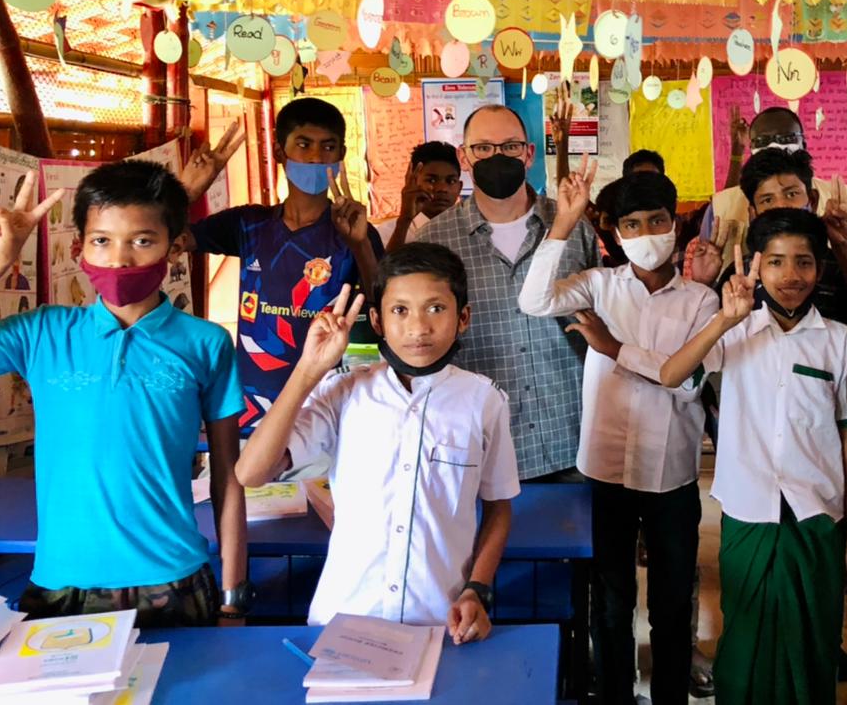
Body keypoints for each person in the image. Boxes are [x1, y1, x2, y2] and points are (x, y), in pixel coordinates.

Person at [0, 162, 248, 626]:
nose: (120, 260)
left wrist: (233, 595)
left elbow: (229, 478)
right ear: (79, 246)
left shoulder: (206, 343)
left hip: (173, 584)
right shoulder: (42, 332)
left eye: (143, 241)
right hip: (60, 585)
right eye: (102, 241)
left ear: (174, 244)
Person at [236, 245, 519, 638]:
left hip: (439, 619)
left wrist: (477, 589)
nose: (418, 328)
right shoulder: (345, 392)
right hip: (345, 617)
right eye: (400, 310)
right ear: (378, 320)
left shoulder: (483, 400)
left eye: (435, 308)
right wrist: (308, 369)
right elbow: (251, 472)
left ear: (463, 317)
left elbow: (498, 507)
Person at [519, 165, 718, 705]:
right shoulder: (599, 286)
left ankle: (671, 694)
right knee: (610, 600)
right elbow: (532, 301)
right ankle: (613, 695)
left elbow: (690, 383)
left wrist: (615, 351)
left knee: (672, 601)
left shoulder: (701, 302)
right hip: (604, 469)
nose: (646, 234)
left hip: (670, 474)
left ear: (675, 223)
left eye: (657, 220)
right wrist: (562, 223)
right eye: (631, 224)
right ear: (613, 231)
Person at [659, 208, 847, 705]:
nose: (790, 276)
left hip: (817, 516)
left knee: (811, 640)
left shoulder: (840, 340)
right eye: (775, 262)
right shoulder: (734, 332)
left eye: (803, 262)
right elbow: (672, 376)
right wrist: (723, 318)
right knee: (746, 637)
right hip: (748, 508)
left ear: (821, 269)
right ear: (755, 266)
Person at [416, 104, 600, 480]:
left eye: (510, 147)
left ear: (529, 154)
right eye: (483, 148)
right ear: (465, 157)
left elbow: (600, 319)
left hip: (572, 438)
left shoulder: (575, 229)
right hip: (478, 446)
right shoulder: (434, 240)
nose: (497, 157)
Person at [183, 98, 384, 426]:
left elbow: (384, 307)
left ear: (342, 155)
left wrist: (359, 245)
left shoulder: (354, 230)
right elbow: (170, 242)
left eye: (328, 147)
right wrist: (186, 193)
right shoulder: (248, 223)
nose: (317, 157)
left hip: (325, 405)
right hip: (253, 404)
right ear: (279, 152)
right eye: (304, 145)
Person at [691, 148, 847, 324]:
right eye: (767, 200)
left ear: (813, 201)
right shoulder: (739, 272)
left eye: (791, 194)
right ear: (753, 213)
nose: (781, 206)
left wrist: (843, 248)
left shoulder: (837, 264)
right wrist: (702, 283)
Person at [699, 107, 847, 268]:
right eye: (763, 141)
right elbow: (705, 268)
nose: (775, 147)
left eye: (787, 139)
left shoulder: (844, 199)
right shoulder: (720, 206)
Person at [377, 141, 463, 252]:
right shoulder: (388, 231)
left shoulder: (467, 228)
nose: (442, 188)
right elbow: (386, 268)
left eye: (451, 181)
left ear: (460, 187)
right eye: (431, 180)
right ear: (412, 181)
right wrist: (404, 221)